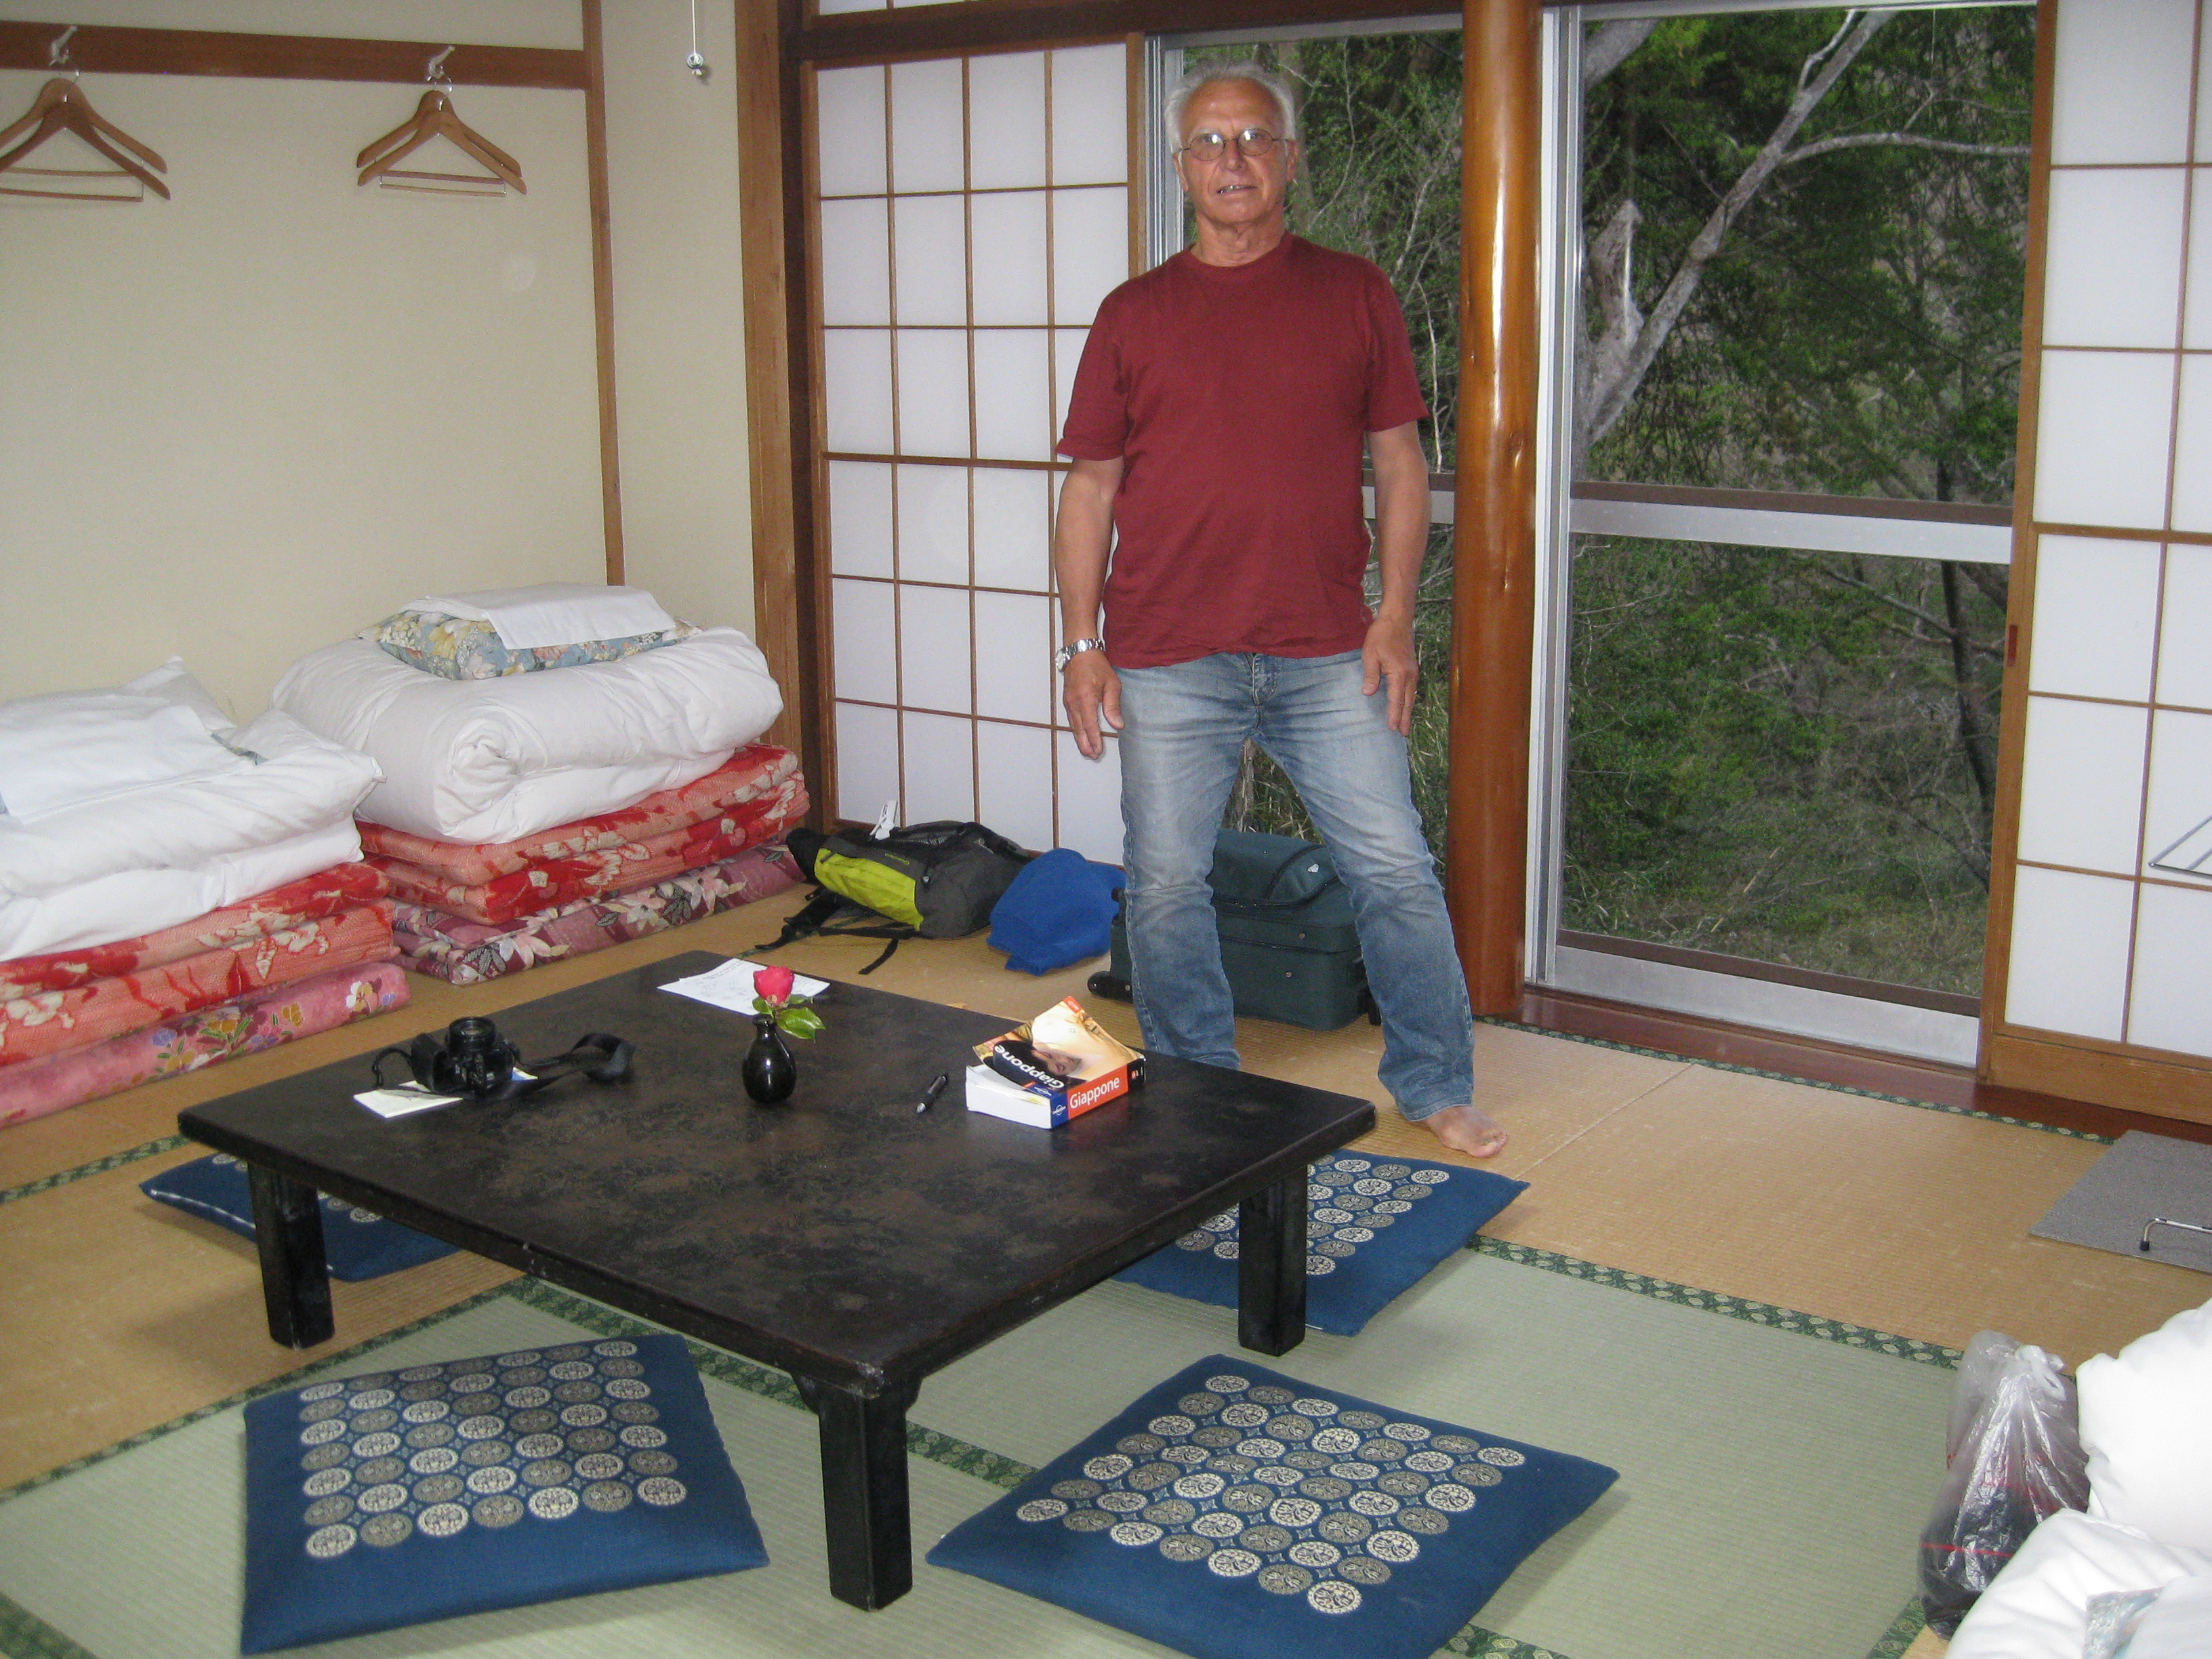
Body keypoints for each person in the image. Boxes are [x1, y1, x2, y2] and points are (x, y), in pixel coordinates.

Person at [1052, 63, 1504, 1158]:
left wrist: (1396, 615)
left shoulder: (1353, 292)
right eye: (1210, 142)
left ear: (1291, 159)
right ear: (1181, 169)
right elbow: (1091, 489)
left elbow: (1401, 466)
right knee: (1165, 884)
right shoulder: (1133, 314)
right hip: (1168, 650)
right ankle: (1201, 1089)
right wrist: (1081, 645)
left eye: (1255, 137)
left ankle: (1435, 1081)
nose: (1234, 159)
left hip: (1329, 648)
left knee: (1394, 869)